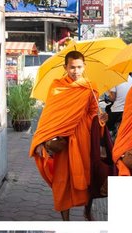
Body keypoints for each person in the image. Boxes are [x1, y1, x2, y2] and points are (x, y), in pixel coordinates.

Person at [29, 50, 108, 220]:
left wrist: (100, 119)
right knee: (62, 179)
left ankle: (87, 211)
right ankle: (66, 219)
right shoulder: (57, 86)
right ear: (65, 67)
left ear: (84, 66)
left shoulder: (90, 86)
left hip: (83, 137)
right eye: (72, 67)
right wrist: (42, 138)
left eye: (79, 67)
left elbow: (92, 113)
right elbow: (50, 113)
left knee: (87, 175)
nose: (76, 71)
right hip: (63, 139)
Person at [106, 72, 132, 138]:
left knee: (104, 129)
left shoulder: (115, 81)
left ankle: (103, 146)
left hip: (117, 111)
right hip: (131, 112)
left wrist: (108, 91)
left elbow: (112, 98)